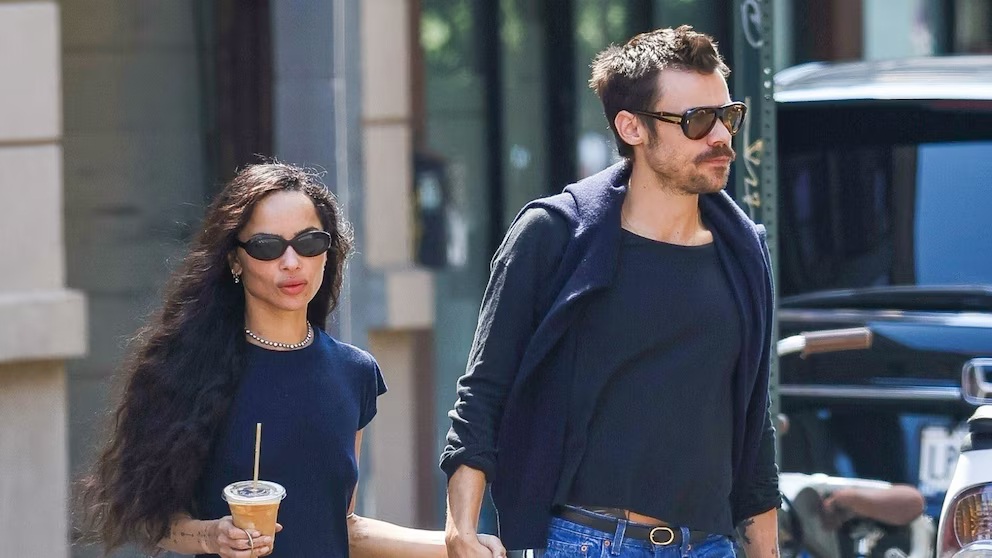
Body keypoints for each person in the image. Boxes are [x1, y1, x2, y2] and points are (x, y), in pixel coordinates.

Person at [441, 26, 780, 558]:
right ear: (632, 127)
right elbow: (483, 391)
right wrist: (460, 528)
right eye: (697, 120)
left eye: (728, 115)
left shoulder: (744, 250)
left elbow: (754, 424)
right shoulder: (554, 235)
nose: (720, 136)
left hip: (709, 545)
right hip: (588, 541)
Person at [77, 163, 506, 558]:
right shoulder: (189, 368)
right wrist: (211, 536)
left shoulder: (354, 373)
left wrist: (458, 544)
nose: (291, 262)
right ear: (234, 260)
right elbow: (151, 519)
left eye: (309, 242)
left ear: (327, 253)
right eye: (267, 246)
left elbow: (344, 527)